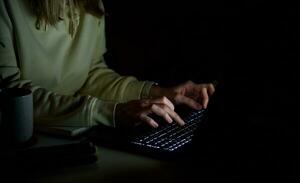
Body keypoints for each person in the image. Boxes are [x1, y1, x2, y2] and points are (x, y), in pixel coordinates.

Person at [0, 0, 215, 131]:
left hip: (73, 134)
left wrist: (159, 92)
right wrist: (109, 113)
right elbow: (11, 97)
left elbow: (91, 74)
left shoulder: (91, 3)